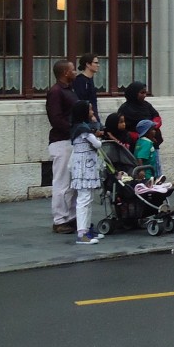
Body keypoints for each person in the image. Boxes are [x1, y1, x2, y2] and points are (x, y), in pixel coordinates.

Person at [46, 58, 79, 235]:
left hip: (71, 140)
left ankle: (71, 216)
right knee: (62, 182)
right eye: (73, 70)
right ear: (65, 73)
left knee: (73, 182)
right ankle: (59, 219)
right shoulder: (56, 92)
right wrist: (75, 129)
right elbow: (56, 118)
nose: (75, 72)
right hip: (62, 141)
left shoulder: (68, 90)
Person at [68, 101, 104, 245]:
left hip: (85, 166)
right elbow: (97, 143)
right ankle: (82, 233)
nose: (92, 113)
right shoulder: (83, 129)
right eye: (89, 110)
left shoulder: (79, 127)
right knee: (84, 199)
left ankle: (87, 229)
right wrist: (96, 127)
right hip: (84, 167)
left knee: (87, 199)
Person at [118, 81, 163, 148]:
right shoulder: (125, 108)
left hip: (152, 141)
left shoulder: (147, 105)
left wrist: (152, 128)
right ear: (134, 93)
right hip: (136, 144)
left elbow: (156, 117)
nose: (145, 95)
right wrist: (137, 135)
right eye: (142, 93)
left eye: (145, 93)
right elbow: (120, 127)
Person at [72, 53, 101, 123]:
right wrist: (91, 116)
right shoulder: (80, 80)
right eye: (95, 63)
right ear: (88, 64)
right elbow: (81, 100)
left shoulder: (90, 79)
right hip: (85, 119)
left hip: (93, 116)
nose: (98, 65)